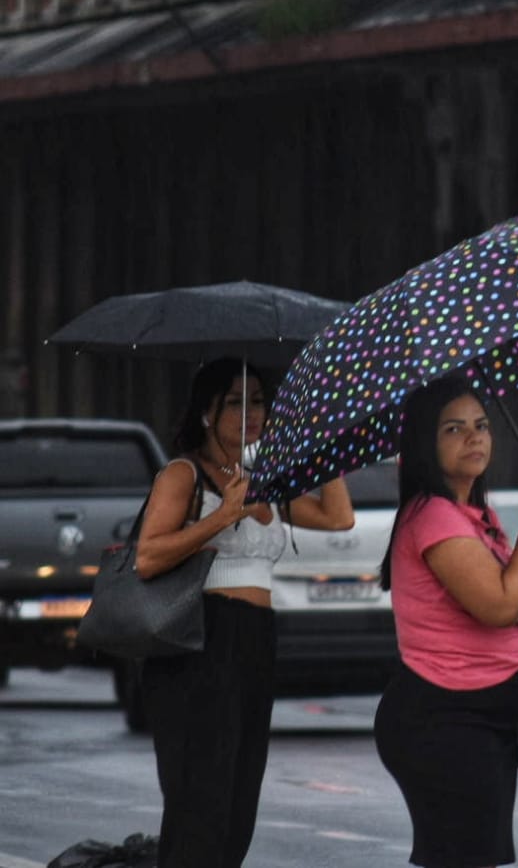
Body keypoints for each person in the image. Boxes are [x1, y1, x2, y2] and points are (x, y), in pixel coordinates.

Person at [135, 357, 355, 868]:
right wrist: (225, 515)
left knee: (240, 798)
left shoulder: (264, 478)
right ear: (208, 412)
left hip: (256, 638)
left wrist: (329, 448)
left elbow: (338, 517)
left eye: (258, 401)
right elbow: (148, 557)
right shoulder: (183, 474)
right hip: (199, 639)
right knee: (201, 799)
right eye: (236, 402)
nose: (251, 412)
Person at [374, 372, 518, 868]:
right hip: (444, 721)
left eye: (481, 425)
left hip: (479, 720)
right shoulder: (433, 517)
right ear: (425, 442)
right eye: (454, 429)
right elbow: (499, 605)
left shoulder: (474, 515)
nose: (474, 437)